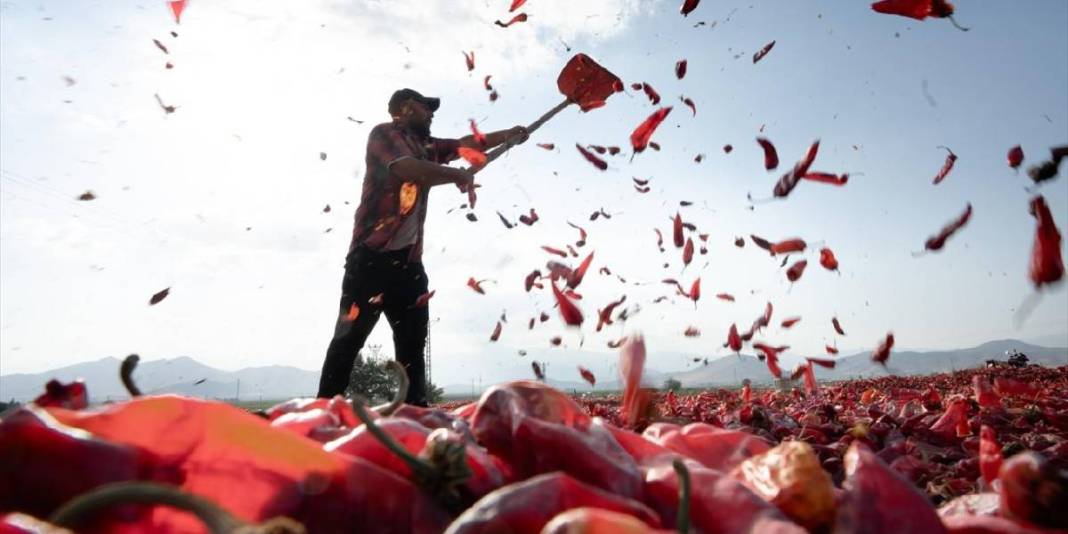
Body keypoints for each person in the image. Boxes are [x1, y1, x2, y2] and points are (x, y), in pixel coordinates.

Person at [318, 88, 528, 406]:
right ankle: (324, 407)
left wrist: (507, 135)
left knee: (413, 345)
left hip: (409, 265)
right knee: (349, 339)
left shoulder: (427, 147)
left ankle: (414, 410)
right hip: (370, 260)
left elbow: (464, 145)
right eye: (425, 107)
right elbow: (408, 169)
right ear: (403, 108)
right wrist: (455, 174)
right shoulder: (384, 134)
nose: (431, 113)